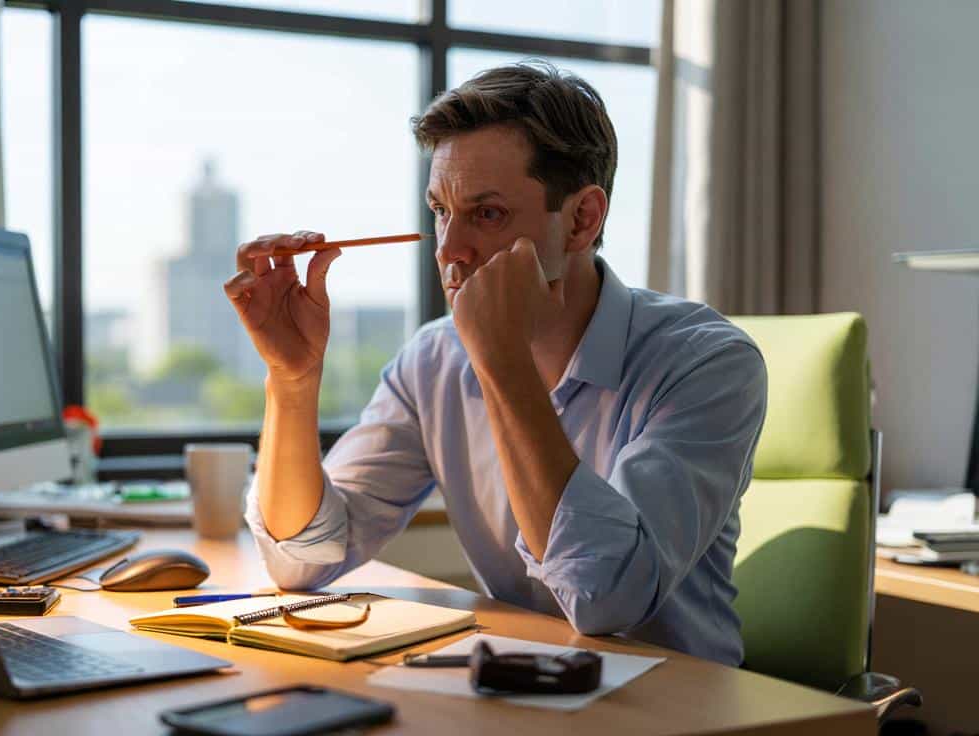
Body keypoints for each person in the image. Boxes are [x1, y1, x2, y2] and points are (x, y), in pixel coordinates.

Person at [221, 61, 766, 666]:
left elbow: (605, 599)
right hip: (517, 690)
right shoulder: (432, 360)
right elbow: (302, 559)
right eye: (439, 211)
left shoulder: (706, 362)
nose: (450, 251)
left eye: (487, 214)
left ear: (582, 219)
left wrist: (504, 364)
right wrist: (292, 382)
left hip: (685, 708)